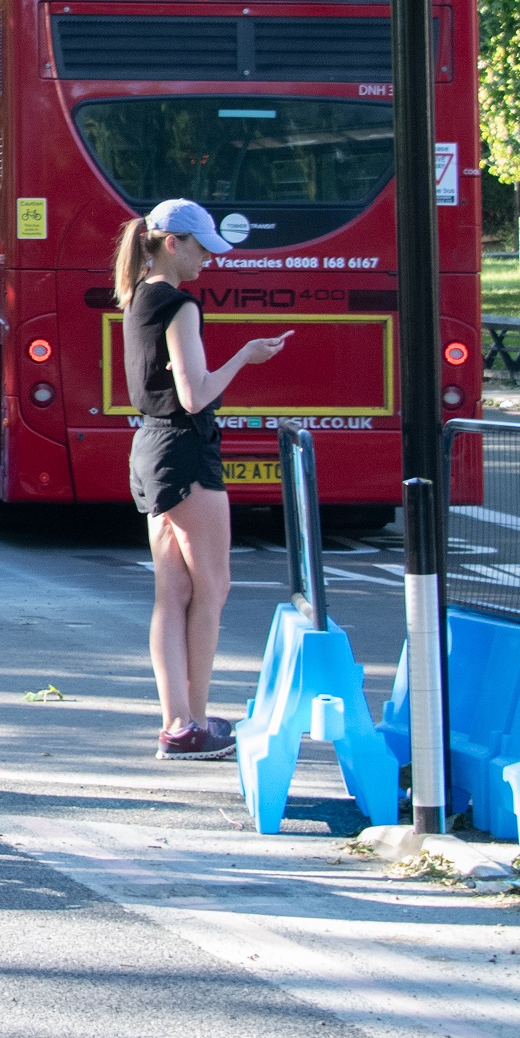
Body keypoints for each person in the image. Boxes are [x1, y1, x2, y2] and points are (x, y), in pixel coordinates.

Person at [118, 198, 292, 760]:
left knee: (172, 593)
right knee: (213, 587)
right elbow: (194, 395)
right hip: (187, 451)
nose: (207, 261)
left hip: (149, 448)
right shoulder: (180, 306)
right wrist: (244, 356)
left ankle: (178, 722)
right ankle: (191, 722)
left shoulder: (138, 297)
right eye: (200, 249)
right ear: (173, 242)